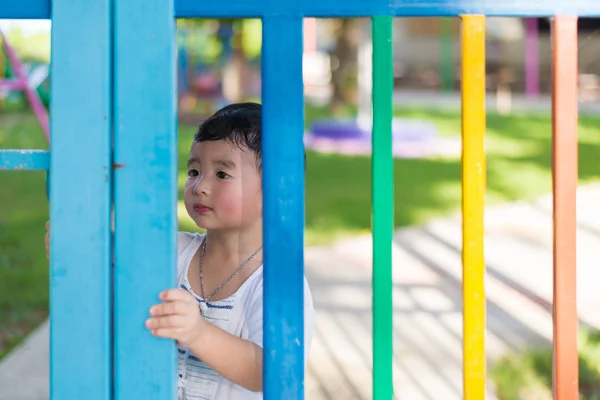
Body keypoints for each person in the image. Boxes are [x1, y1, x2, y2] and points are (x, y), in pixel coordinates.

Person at [45, 102, 315, 399]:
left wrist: (198, 334)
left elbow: (271, 372)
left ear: (276, 190)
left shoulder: (276, 282)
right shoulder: (173, 250)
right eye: (194, 170)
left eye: (221, 174)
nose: (199, 186)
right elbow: (107, 266)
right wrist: (74, 248)